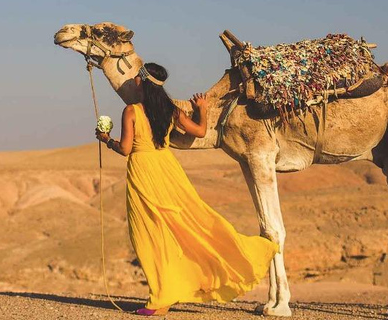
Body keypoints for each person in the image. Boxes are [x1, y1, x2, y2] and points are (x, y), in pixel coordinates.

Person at [95, 62, 278, 316]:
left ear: (143, 82)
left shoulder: (131, 111)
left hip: (143, 172)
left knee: (148, 236)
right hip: (168, 170)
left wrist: (106, 140)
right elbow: (201, 131)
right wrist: (201, 109)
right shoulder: (171, 109)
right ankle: (166, 294)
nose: (135, 79)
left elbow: (126, 149)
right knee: (189, 224)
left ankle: (160, 298)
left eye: (138, 76)